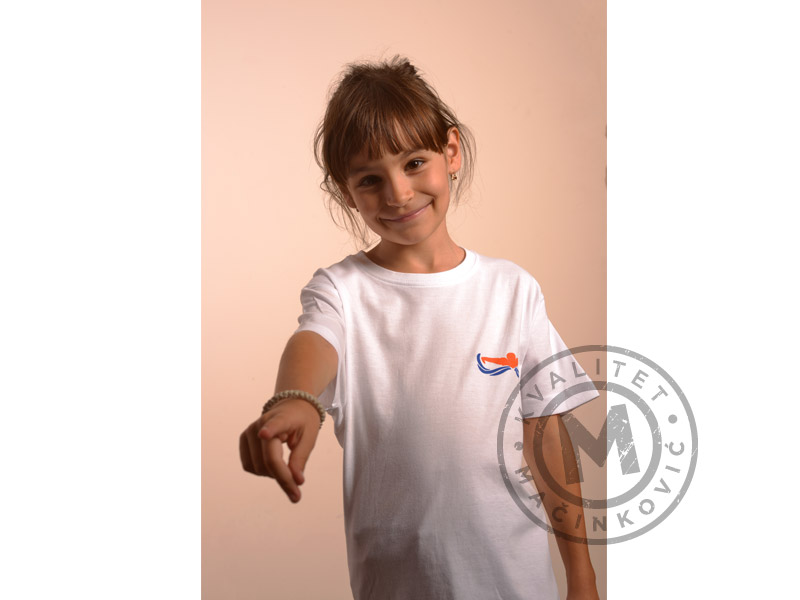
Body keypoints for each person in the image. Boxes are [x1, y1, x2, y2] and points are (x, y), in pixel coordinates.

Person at [239, 56, 601, 600]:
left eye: (413, 163)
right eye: (370, 179)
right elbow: (314, 340)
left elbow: (547, 439)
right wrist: (295, 399)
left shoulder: (513, 290)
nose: (399, 194)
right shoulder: (342, 291)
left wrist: (582, 576)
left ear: (450, 151)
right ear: (346, 191)